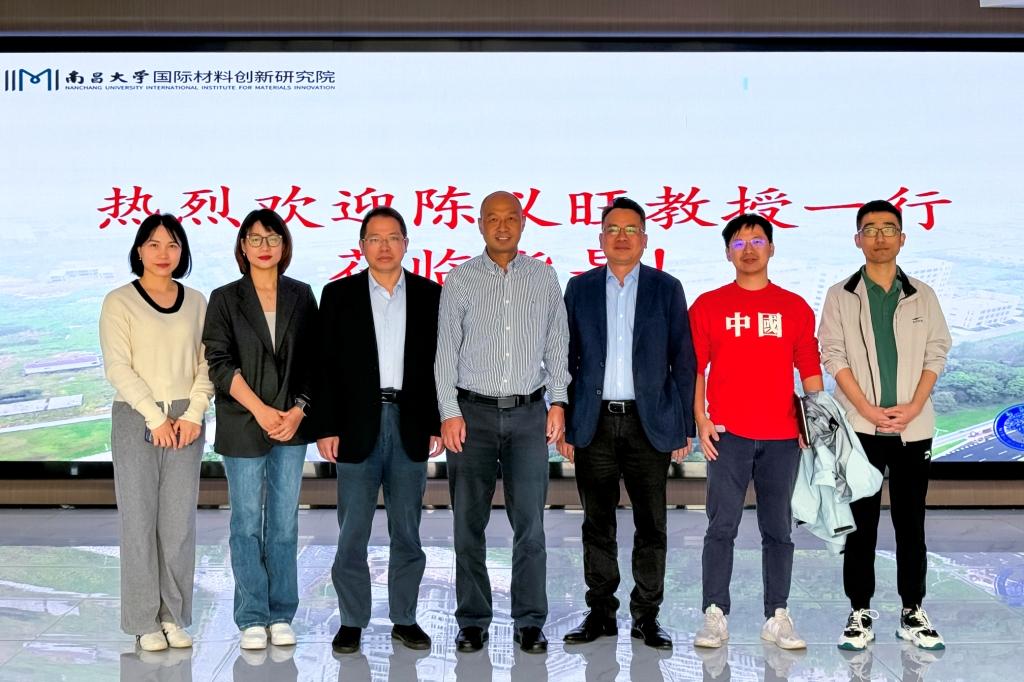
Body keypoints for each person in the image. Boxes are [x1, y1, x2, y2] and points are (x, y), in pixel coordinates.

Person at [435, 190, 570, 654]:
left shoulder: (543, 277)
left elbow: (557, 344)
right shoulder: (460, 279)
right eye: (492, 218)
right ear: (480, 225)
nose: (502, 226)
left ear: (523, 222)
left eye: (510, 217)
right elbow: (445, 353)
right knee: (467, 524)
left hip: (529, 414)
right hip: (471, 415)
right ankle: (472, 620)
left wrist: (558, 401)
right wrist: (449, 412)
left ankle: (529, 621)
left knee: (530, 524)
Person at [559, 197, 696, 649]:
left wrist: (683, 425)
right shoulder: (579, 288)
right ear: (600, 239)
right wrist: (566, 418)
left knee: (651, 526)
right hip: (593, 423)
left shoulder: (666, 288)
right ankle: (600, 614)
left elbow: (683, 360)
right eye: (613, 230)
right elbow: (565, 359)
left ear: (645, 238)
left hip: (647, 424)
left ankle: (646, 617)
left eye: (631, 229)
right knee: (596, 524)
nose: (622, 237)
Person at [818, 199, 951, 652]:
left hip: (914, 427)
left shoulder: (922, 294)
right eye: (870, 229)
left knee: (912, 524)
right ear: (857, 239)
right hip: (860, 428)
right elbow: (832, 354)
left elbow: (937, 352)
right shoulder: (840, 294)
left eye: (888, 228)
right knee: (861, 525)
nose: (879, 237)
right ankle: (859, 612)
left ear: (902, 238)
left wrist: (913, 405)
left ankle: (913, 611)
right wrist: (867, 409)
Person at [689, 214, 823, 651]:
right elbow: (695, 368)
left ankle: (777, 615)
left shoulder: (794, 307)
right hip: (727, 435)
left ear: (772, 249)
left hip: (783, 437)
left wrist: (814, 421)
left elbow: (809, 367)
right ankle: (715, 614)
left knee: (778, 529)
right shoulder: (709, 306)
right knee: (721, 526)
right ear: (727, 252)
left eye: (758, 241)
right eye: (739, 243)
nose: (748, 250)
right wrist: (701, 419)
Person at [315, 206, 443, 655]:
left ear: (406, 244)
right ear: (362, 245)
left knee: (407, 530)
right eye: (375, 238)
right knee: (352, 531)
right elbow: (324, 367)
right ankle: (352, 620)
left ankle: (405, 618)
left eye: (393, 238)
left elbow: (439, 364)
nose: (384, 246)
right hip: (355, 426)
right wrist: (326, 426)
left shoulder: (430, 294)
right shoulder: (338, 295)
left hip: (410, 423)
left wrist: (436, 421)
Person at [202, 208, 318, 650]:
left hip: (291, 425)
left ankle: (281, 613)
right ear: (243, 247)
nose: (265, 246)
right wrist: (262, 411)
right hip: (243, 423)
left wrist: (297, 411)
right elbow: (219, 363)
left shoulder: (301, 294)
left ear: (284, 245)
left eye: (273, 238)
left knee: (285, 523)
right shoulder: (225, 298)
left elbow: (315, 362)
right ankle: (252, 615)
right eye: (255, 238)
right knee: (247, 522)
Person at [99, 213, 213, 652]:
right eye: (153, 244)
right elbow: (117, 366)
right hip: (136, 417)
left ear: (182, 251)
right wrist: (154, 417)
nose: (163, 253)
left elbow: (207, 363)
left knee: (178, 524)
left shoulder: (197, 301)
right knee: (139, 522)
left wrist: (194, 412)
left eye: (172, 244)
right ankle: (143, 620)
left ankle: (173, 616)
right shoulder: (119, 301)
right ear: (139, 250)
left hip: (187, 418)